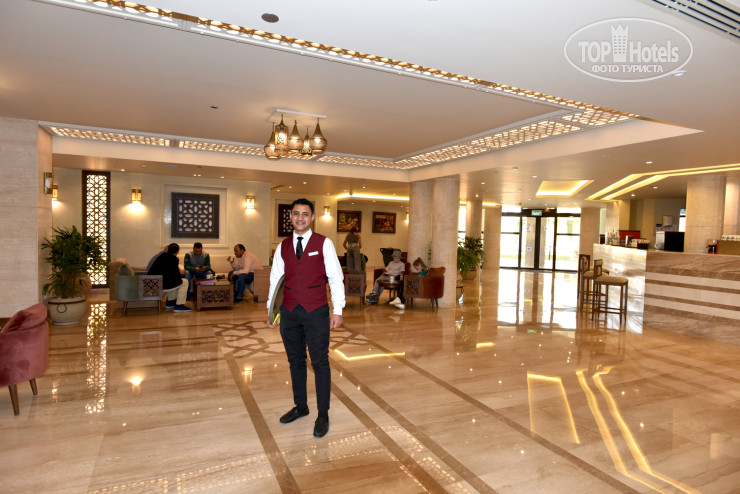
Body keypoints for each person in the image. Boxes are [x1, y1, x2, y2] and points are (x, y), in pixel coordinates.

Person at [266, 198, 345, 439]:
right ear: (291, 216)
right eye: (296, 213)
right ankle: (301, 406)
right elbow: (276, 280)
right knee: (295, 361)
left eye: (305, 214)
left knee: (320, 363)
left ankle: (323, 415)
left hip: (316, 311)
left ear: (312, 218)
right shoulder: (283, 247)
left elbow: (335, 277)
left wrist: (338, 309)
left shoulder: (324, 243)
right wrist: (272, 311)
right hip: (289, 312)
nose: (300, 218)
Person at [147, 243, 192, 313]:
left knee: (175, 282)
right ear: (177, 251)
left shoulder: (161, 256)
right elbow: (176, 275)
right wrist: (181, 273)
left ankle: (170, 302)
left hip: (153, 284)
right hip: (162, 285)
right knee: (184, 282)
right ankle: (179, 306)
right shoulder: (174, 259)